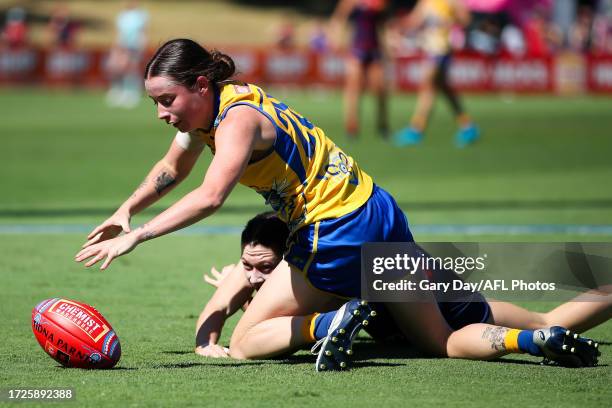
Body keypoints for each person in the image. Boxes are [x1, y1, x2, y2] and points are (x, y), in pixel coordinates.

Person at [75, 38, 599, 372]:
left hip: (336, 230)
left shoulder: (235, 123)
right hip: (378, 208)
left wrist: (138, 236)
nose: (161, 113)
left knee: (247, 341)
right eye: (154, 103)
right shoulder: (227, 103)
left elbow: (210, 196)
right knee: (447, 336)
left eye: (167, 100)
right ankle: (532, 339)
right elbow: (174, 167)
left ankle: (333, 320)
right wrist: (127, 209)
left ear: (201, 85)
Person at [196, 212, 610, 369]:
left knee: (444, 342)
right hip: (417, 274)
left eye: (264, 268)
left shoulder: (312, 271)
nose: (253, 276)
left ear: (289, 258)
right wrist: (206, 340)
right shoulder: (260, 265)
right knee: (544, 323)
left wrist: (234, 313)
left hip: (430, 288)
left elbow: (242, 326)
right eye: (247, 267)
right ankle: (533, 341)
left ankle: (531, 338)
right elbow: (216, 309)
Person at [394, 0, 480, 147]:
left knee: (428, 84)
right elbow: (415, 20)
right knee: (442, 88)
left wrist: (450, 21)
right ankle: (467, 125)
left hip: (442, 50)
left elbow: (466, 19)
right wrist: (398, 24)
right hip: (430, 50)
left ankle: (416, 129)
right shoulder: (426, 2)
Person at [329, 0, 389, 139]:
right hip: (357, 48)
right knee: (353, 89)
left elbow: (383, 25)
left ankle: (383, 125)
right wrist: (337, 40)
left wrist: (386, 49)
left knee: (380, 88)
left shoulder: (379, 2)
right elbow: (339, 19)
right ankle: (351, 127)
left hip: (375, 48)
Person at [105, 1, 148, 108]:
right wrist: (117, 45)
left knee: (131, 69)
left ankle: (132, 92)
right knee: (117, 68)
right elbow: (120, 33)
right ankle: (118, 91)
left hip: (134, 46)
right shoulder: (122, 15)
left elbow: (142, 32)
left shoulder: (141, 15)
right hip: (122, 45)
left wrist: (140, 45)